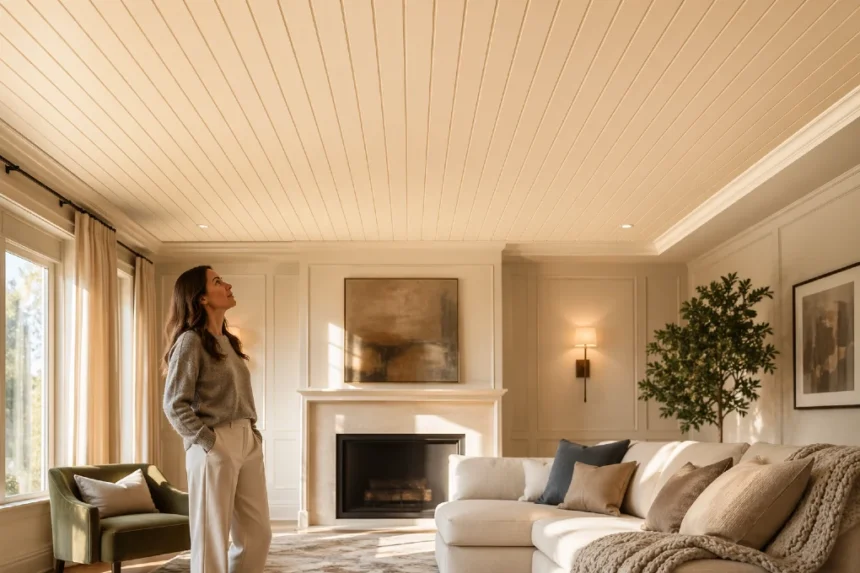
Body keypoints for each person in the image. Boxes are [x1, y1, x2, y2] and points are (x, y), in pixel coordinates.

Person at [162, 265, 271, 573]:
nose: (228, 285)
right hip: (214, 442)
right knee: (212, 540)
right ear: (201, 299)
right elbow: (174, 404)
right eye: (218, 282)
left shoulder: (228, 342)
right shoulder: (189, 341)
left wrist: (253, 435)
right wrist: (210, 442)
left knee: (257, 535)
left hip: (246, 441)